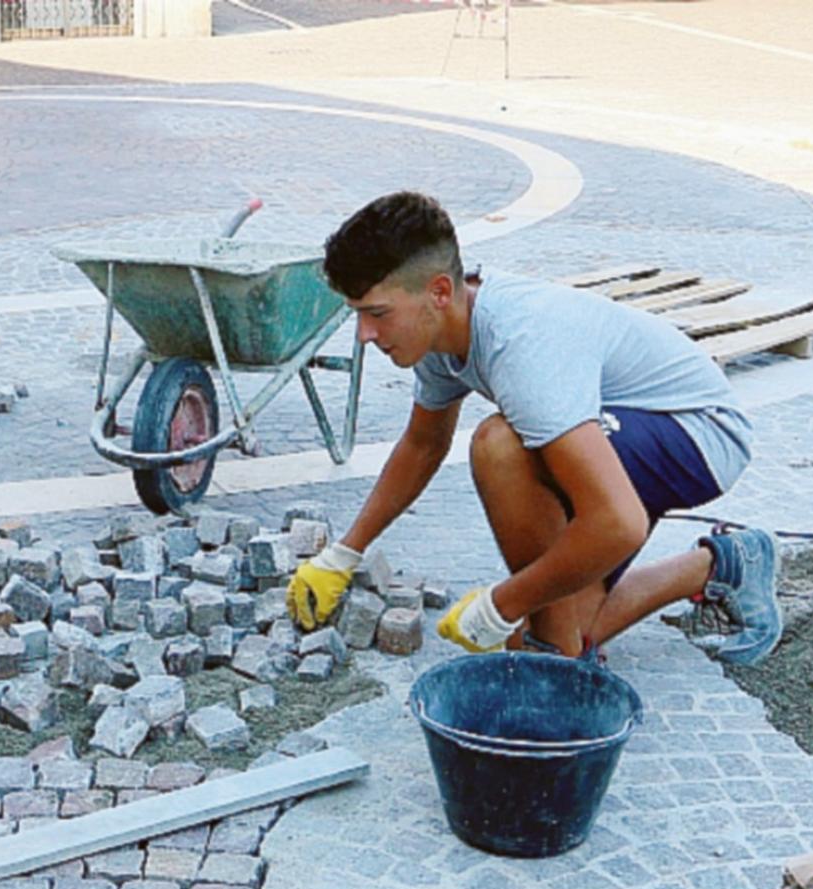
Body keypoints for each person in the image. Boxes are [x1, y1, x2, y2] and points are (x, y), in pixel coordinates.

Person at [287, 192, 781, 665]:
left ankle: (557, 651)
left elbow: (619, 522)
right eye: (358, 315)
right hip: (623, 424)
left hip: (696, 434)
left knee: (499, 445)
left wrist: (500, 604)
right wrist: (343, 554)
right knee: (566, 627)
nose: (365, 335)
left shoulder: (520, 347)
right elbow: (422, 444)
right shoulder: (441, 330)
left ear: (438, 291)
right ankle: (727, 563)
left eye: (377, 314)